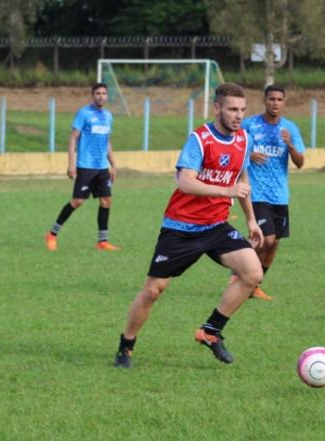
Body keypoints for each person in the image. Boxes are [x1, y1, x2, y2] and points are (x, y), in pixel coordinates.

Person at [113, 83, 264, 368]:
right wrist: (226, 192)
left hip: (216, 226)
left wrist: (251, 220)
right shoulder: (200, 139)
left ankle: (211, 330)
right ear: (217, 108)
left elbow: (242, 181)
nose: (239, 115)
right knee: (152, 291)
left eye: (243, 110)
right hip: (181, 228)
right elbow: (185, 181)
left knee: (252, 272)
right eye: (233, 109)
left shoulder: (245, 139)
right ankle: (126, 346)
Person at [239, 85, 305, 300]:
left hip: (280, 195)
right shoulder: (249, 125)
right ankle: (239, 272)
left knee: (274, 243)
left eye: (279, 99)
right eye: (271, 99)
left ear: (283, 102)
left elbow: (300, 162)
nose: (275, 103)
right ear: (264, 101)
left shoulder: (290, 129)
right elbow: (235, 149)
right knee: (265, 239)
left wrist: (290, 145)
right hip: (256, 193)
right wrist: (249, 155)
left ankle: (255, 285)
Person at [45, 82, 119, 251]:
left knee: (106, 201)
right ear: (93, 95)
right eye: (98, 93)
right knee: (78, 201)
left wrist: (113, 164)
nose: (101, 96)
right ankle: (52, 234)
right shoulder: (83, 113)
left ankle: (102, 241)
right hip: (85, 165)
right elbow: (73, 138)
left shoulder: (108, 116)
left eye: (104, 93)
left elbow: (106, 141)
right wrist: (71, 164)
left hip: (102, 167)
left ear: (107, 96)